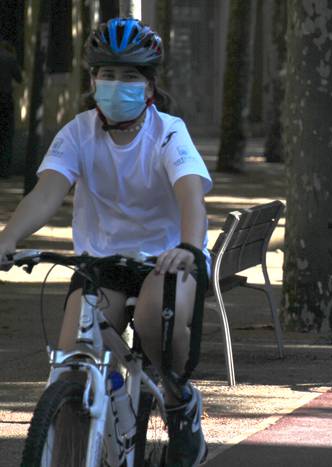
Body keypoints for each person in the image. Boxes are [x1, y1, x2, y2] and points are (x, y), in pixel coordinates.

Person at [0, 19, 211, 465]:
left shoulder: (169, 132)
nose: (117, 84)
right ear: (93, 80)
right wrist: (10, 236)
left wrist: (190, 248)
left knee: (154, 326)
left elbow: (191, 196)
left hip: (167, 259)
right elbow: (47, 192)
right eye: (107, 74)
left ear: (150, 87)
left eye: (130, 75)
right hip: (101, 263)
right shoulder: (77, 132)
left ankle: (179, 400)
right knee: (72, 361)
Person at [0, 40, 23, 177]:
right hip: (5, 99)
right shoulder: (10, 58)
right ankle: (4, 170)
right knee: (6, 134)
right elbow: (19, 78)